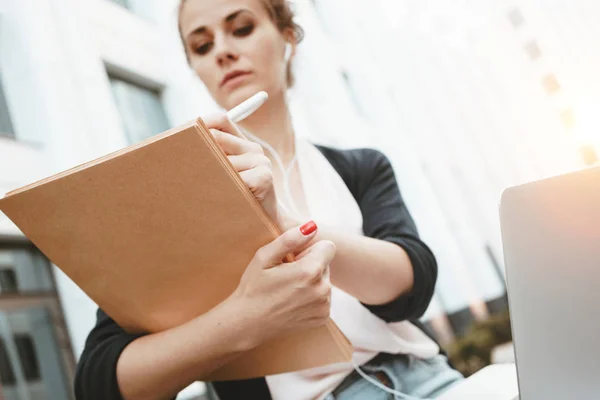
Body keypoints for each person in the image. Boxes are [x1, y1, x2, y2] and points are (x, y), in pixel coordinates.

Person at [74, 0, 464, 399]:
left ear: (288, 36)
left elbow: (410, 289)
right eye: (202, 46)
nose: (223, 51)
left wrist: (282, 219)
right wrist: (245, 318)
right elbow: (98, 383)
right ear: (196, 70)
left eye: (241, 28)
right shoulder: (180, 195)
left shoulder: (361, 167)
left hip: (422, 379)